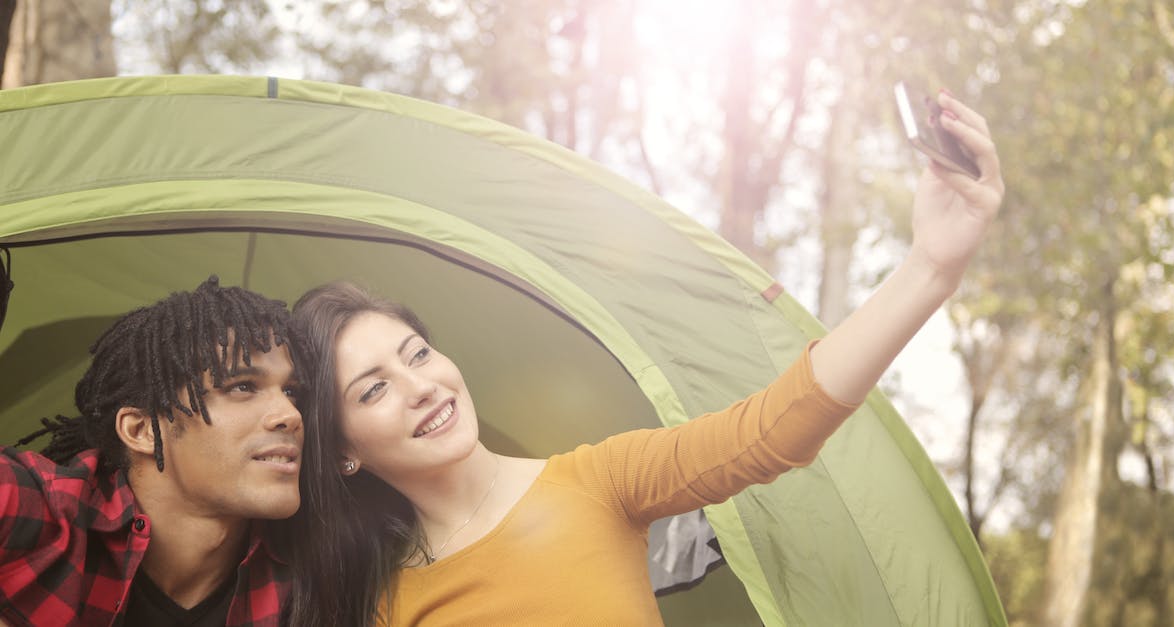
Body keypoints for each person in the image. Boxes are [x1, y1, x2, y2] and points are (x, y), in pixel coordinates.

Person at [283, 91, 1005, 626]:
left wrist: (930, 269)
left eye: (417, 352)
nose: (419, 385)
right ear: (344, 451)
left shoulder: (599, 480)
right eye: (374, 389)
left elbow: (774, 427)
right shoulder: (384, 605)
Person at [0, 277, 305, 626]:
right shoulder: (45, 512)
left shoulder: (316, 567)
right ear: (142, 430)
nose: (290, 415)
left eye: (292, 391)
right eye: (243, 386)